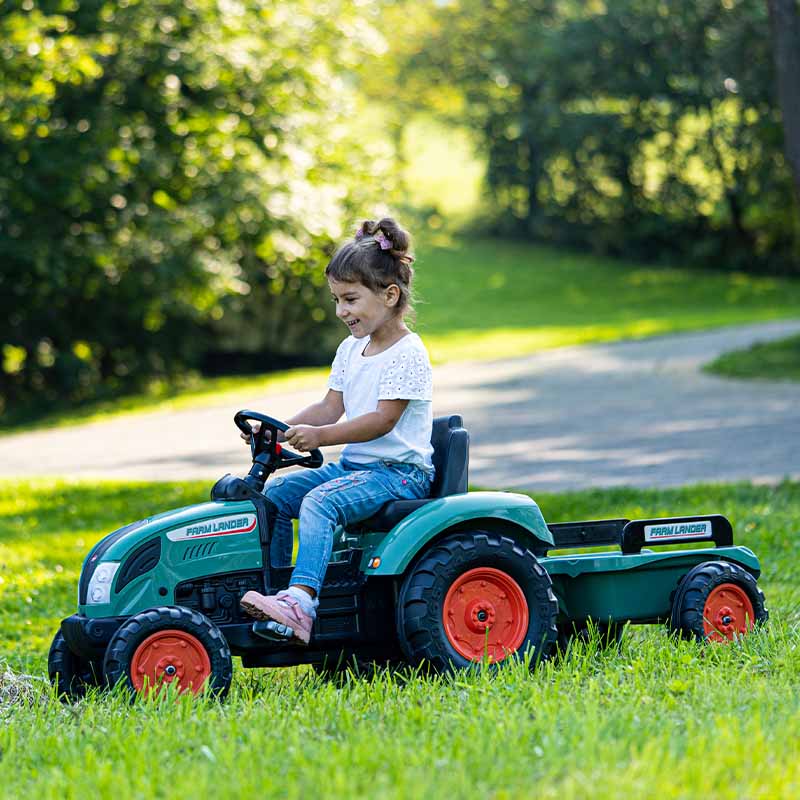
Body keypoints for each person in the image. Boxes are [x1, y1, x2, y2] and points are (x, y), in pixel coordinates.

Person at [240, 217, 434, 644]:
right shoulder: (351, 349)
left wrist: (321, 437)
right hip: (355, 469)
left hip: (399, 474)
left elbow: (384, 419)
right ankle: (278, 596)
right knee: (273, 498)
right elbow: (331, 406)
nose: (340, 311)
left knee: (320, 502)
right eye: (336, 299)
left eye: (349, 299)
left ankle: (302, 603)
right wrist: (281, 429)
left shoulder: (408, 354)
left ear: (389, 294)